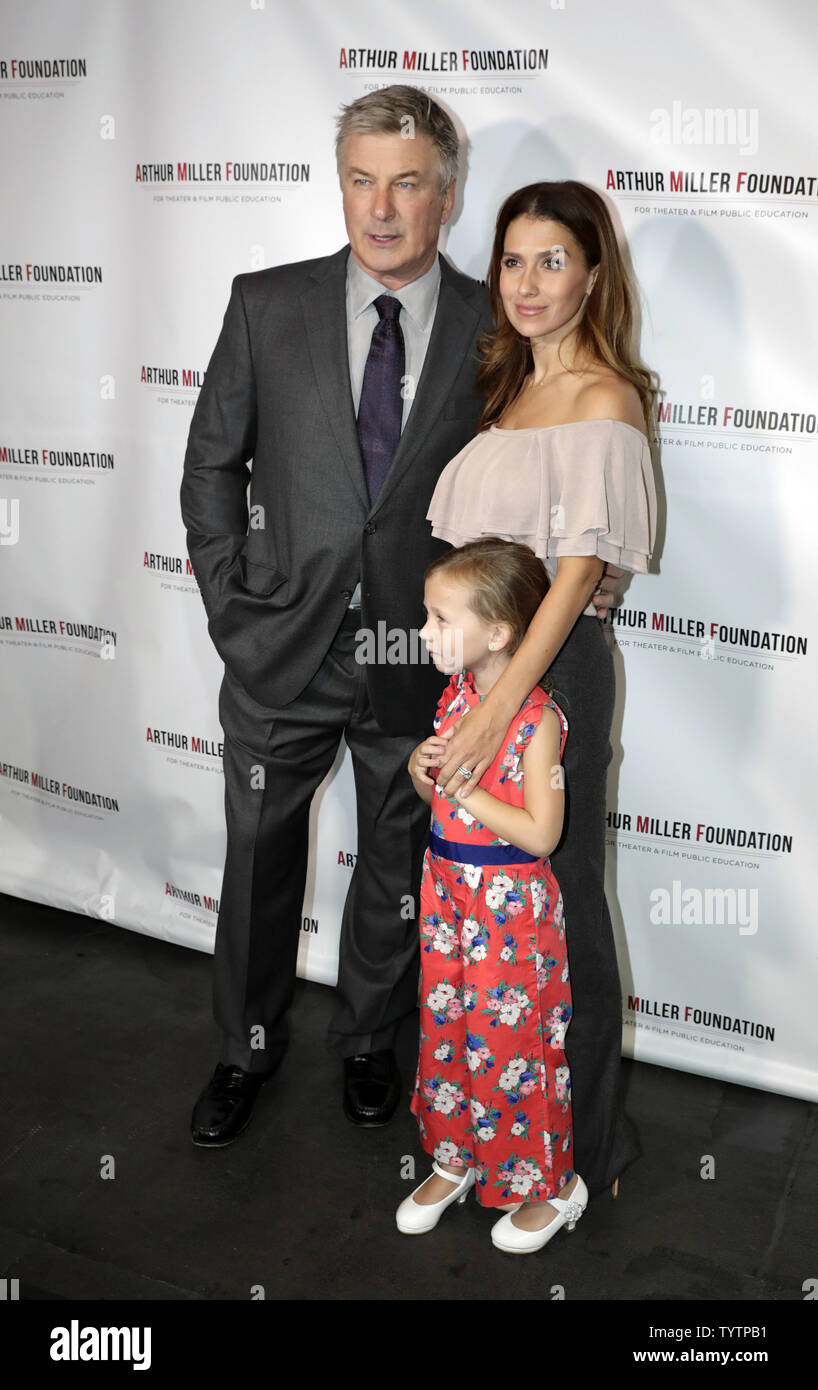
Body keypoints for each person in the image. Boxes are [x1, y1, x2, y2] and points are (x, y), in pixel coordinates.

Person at [180, 86, 496, 1143]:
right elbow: (212, 466)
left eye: (406, 182)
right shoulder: (264, 304)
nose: (380, 206)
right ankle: (244, 1049)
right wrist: (233, 604)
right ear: (340, 184)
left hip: (420, 651)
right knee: (260, 858)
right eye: (361, 178)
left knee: (395, 862)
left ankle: (368, 1039)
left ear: (444, 195)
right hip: (282, 644)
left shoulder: (493, 329)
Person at [425, 181, 659, 1200]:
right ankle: (488, 1128)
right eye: (512, 260)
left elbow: (570, 578)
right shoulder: (503, 395)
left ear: (593, 274)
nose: (527, 282)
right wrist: (463, 686)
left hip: (551, 670)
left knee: (558, 902)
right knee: (482, 904)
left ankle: (584, 1153)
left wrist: (494, 706)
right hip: (479, 670)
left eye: (551, 260)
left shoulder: (606, 397)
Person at [397, 538, 587, 1253]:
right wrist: (423, 769)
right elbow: (436, 789)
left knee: (514, 1044)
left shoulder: (536, 723)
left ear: (500, 632)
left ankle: (553, 1185)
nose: (423, 633)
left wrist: (469, 792)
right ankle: (457, 1154)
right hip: (445, 894)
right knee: (446, 1028)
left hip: (510, 912)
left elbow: (542, 835)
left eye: (441, 619)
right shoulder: (456, 696)